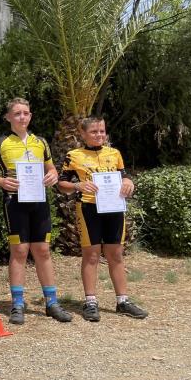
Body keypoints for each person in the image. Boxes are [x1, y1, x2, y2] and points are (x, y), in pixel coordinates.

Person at [0, 97, 72, 324]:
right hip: (14, 202)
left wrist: (52, 176)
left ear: (30, 116)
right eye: (17, 113)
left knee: (43, 250)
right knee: (19, 250)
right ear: (8, 117)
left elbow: (51, 169)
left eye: (26, 113)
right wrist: (2, 182)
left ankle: (52, 303)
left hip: (39, 201)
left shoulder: (40, 142)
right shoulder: (0, 142)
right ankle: (18, 304)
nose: (22, 117)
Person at [57, 117, 148, 321]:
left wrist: (128, 182)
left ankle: (123, 301)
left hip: (114, 207)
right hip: (88, 208)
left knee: (116, 254)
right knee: (91, 255)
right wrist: (77, 186)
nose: (99, 135)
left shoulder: (114, 153)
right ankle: (90, 301)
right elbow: (61, 184)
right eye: (94, 132)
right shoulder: (74, 155)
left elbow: (123, 175)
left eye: (102, 131)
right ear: (82, 134)